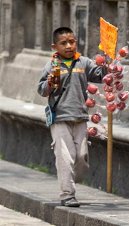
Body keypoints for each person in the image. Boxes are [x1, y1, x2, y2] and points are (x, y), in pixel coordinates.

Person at [37, 27, 107, 207]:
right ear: (55, 46)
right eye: (64, 43)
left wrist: (109, 63)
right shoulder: (52, 65)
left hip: (80, 116)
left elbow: (101, 76)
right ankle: (67, 194)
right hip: (60, 117)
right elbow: (41, 89)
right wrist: (50, 83)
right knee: (65, 157)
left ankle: (70, 180)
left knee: (82, 157)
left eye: (72, 42)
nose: (69, 46)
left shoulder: (83, 62)